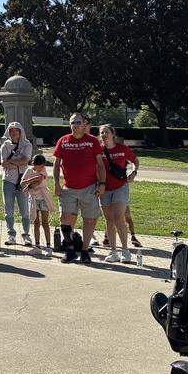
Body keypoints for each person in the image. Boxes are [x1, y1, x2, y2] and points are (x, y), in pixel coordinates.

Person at [54, 113, 104, 264]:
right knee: (65, 220)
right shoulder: (63, 141)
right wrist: (56, 183)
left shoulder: (92, 141)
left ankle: (84, 250)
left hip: (89, 188)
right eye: (72, 122)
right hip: (68, 188)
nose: (75, 125)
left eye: (78, 122)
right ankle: (70, 249)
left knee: (89, 220)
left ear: (84, 124)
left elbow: (100, 164)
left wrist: (102, 183)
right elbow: (56, 164)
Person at [96, 124, 138, 264]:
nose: (104, 135)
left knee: (118, 218)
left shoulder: (122, 148)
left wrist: (134, 172)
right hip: (104, 189)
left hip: (121, 187)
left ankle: (125, 251)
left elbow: (135, 161)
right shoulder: (98, 150)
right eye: (101, 132)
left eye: (106, 132)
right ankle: (113, 252)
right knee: (109, 220)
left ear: (113, 134)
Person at [0, 121, 33, 246]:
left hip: (22, 181)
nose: (13, 133)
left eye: (16, 131)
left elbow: (25, 161)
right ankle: (11, 234)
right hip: (8, 181)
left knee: (24, 210)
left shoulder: (27, 145)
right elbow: (3, 163)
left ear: (20, 132)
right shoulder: (5, 146)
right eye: (11, 131)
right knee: (8, 209)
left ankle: (26, 235)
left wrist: (12, 162)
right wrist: (18, 162)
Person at [20, 154, 54, 253]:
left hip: (43, 198)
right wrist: (29, 182)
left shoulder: (43, 170)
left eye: (37, 165)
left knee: (45, 223)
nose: (35, 167)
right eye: (34, 165)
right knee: (36, 222)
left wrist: (28, 184)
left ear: (42, 165)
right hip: (34, 199)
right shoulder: (29, 170)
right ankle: (37, 246)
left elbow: (39, 181)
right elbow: (22, 183)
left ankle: (48, 246)